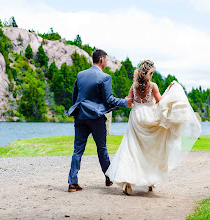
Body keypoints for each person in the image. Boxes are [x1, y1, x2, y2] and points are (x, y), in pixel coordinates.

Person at [105, 60, 201, 195]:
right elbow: (161, 103)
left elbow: (129, 102)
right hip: (150, 116)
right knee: (151, 149)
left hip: (136, 118)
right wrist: (170, 91)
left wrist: (135, 103)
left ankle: (128, 182)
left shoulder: (133, 86)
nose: (152, 76)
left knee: (132, 148)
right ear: (149, 73)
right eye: (152, 73)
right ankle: (150, 180)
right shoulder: (153, 86)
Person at [67, 49, 132, 192]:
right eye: (106, 60)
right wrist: (125, 102)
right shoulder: (105, 77)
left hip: (80, 116)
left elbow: (75, 97)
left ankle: (72, 182)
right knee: (101, 149)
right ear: (101, 59)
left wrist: (76, 113)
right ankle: (108, 178)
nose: (107, 62)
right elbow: (109, 100)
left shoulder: (80, 75)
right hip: (96, 118)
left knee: (78, 150)